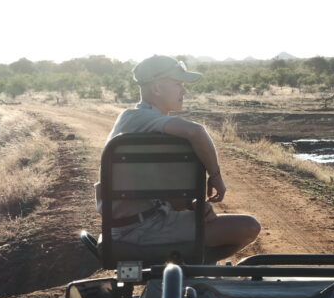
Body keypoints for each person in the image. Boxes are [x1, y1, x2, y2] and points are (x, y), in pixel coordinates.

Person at [99, 55, 260, 259]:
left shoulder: (140, 122)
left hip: (141, 222)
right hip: (141, 229)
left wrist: (191, 204)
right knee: (249, 226)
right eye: (178, 84)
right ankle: (200, 266)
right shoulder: (138, 118)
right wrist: (216, 176)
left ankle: (197, 266)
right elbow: (196, 132)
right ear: (156, 88)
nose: (184, 91)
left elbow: (151, 187)